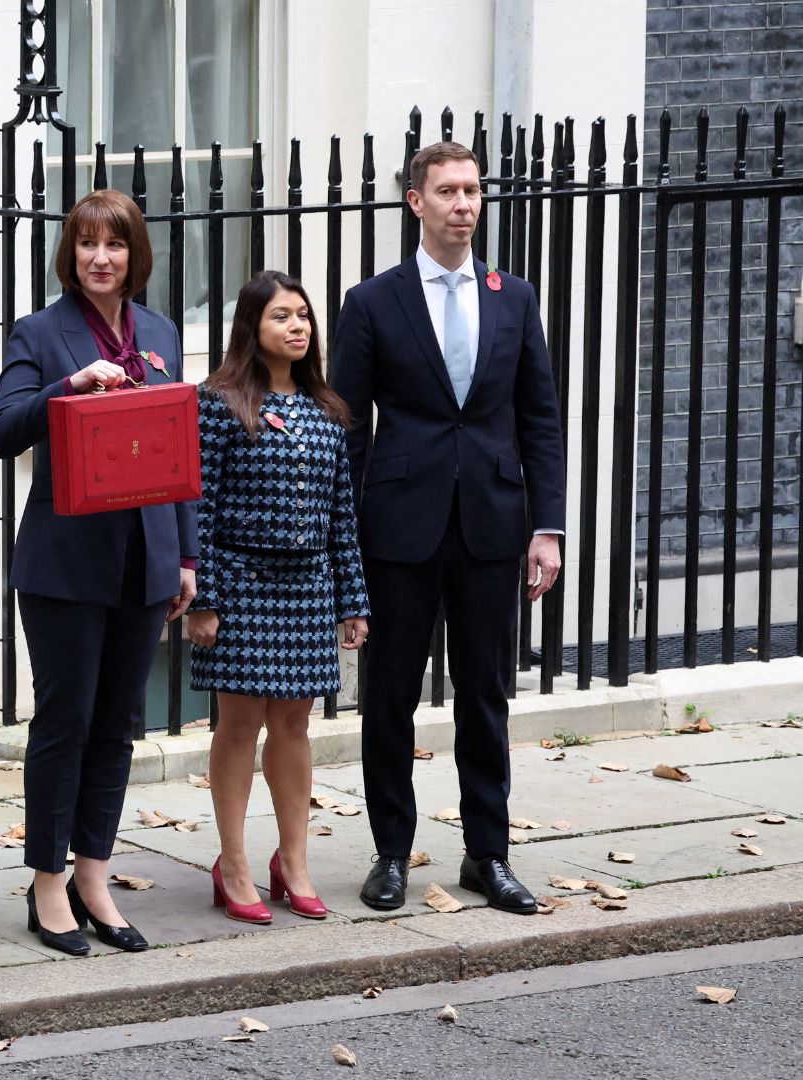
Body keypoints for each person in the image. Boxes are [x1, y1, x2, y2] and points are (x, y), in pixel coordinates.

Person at [330, 141, 565, 915]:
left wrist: (549, 528)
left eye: (473, 191)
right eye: (449, 191)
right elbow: (346, 430)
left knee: (485, 694)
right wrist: (346, 538)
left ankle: (487, 855)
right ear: (415, 202)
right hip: (399, 528)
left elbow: (540, 419)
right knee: (390, 695)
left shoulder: (513, 297)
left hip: (493, 528)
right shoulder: (372, 302)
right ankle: (392, 853)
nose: (465, 204)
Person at [0, 189, 196, 957]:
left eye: (113, 245)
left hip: (146, 560)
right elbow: (2, 430)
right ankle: (47, 883)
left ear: (134, 254)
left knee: (119, 727)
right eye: (85, 245)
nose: (99, 258)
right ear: (70, 255)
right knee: (65, 723)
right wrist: (68, 387)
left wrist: (185, 556)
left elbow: (180, 452)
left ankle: (94, 875)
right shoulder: (40, 333)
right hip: (65, 564)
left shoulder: (164, 333)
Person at [187, 270, 370, 924]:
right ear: (252, 328)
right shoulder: (219, 400)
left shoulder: (328, 410)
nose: (297, 327)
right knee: (238, 724)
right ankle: (232, 862)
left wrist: (353, 602)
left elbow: (341, 514)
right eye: (281, 317)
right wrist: (202, 597)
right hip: (239, 587)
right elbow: (198, 503)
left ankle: (292, 860)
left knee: (294, 724)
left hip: (308, 589)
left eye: (303, 317)